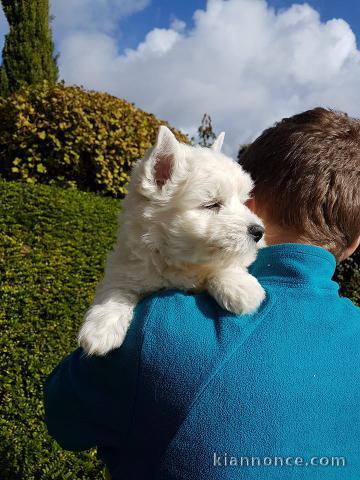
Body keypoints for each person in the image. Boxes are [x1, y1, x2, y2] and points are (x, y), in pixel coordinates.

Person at [44, 108, 360, 479]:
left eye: (239, 204)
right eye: (214, 205)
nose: (247, 223)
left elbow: (65, 422)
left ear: (251, 205)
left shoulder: (156, 327)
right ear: (354, 244)